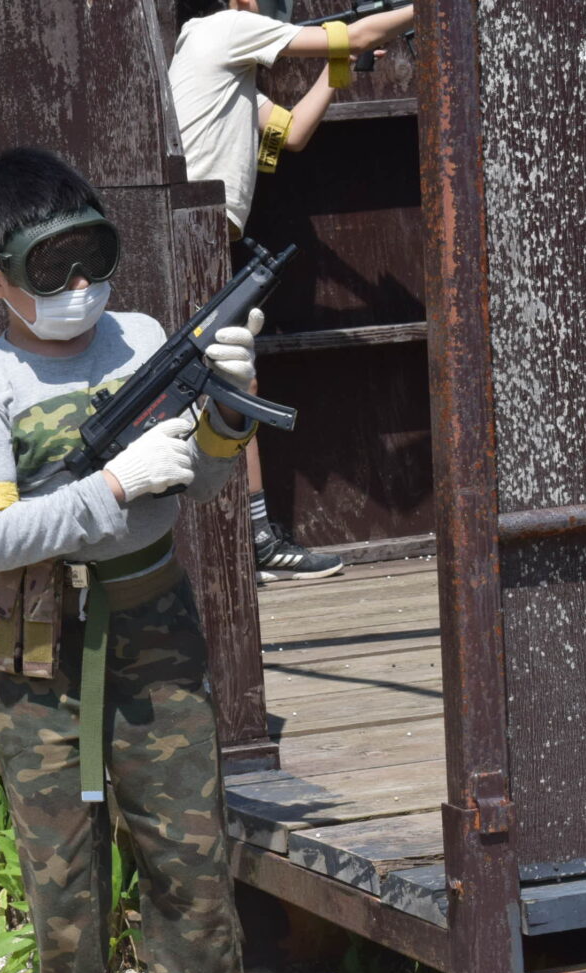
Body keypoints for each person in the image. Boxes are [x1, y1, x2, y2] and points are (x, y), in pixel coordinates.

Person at [0, 146, 261, 973]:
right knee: (62, 874)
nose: (81, 285)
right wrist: (112, 486)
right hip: (39, 646)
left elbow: (202, 484)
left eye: (94, 256)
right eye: (53, 268)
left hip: (153, 619)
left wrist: (229, 412)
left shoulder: (143, 339)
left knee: (187, 850)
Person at [169, 0, 414, 582]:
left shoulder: (213, 55)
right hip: (194, 237)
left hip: (203, 238)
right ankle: (253, 539)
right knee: (229, 383)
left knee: (228, 383)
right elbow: (360, 32)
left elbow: (291, 134)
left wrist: (338, 66)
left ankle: (249, 537)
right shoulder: (224, 28)